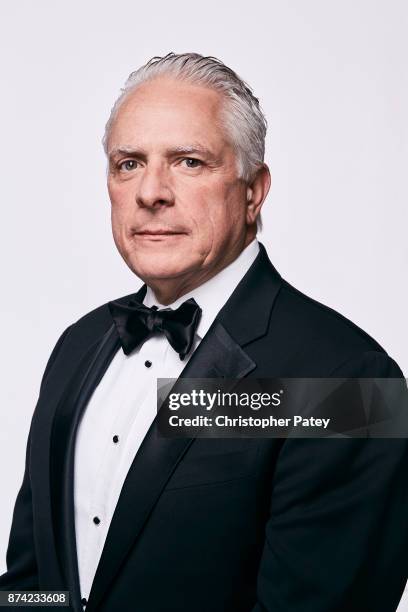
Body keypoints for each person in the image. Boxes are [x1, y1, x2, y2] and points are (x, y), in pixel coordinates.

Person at [1, 52, 407, 612]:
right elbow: (34, 587)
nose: (151, 192)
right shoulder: (77, 345)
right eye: (128, 164)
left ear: (253, 191)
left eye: (189, 162)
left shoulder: (348, 379)